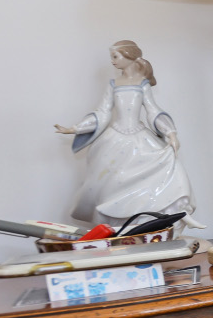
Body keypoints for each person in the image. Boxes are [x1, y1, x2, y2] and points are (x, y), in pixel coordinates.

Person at [53, 40, 199, 227]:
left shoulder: (142, 84)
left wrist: (170, 132)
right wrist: (76, 128)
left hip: (139, 137)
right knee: (112, 182)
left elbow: (152, 109)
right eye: (111, 57)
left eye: (115, 56)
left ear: (129, 56)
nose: (112, 61)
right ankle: (115, 224)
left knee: (168, 162)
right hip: (114, 139)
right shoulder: (113, 84)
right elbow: (103, 112)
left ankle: (172, 212)